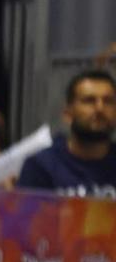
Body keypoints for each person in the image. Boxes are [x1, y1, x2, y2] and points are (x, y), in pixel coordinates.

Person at [18, 69, 116, 197]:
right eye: (89, 101)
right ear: (68, 114)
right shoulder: (41, 166)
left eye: (108, 101)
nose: (100, 108)